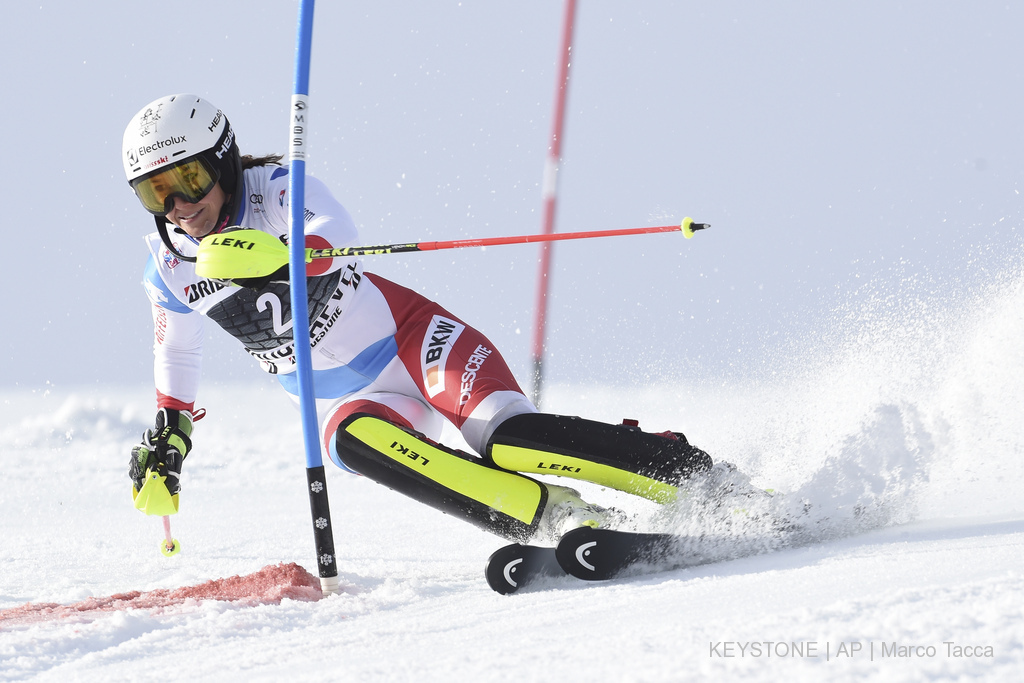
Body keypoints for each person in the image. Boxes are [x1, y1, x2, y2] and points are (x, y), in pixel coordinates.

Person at [123, 93, 719, 544]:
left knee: (509, 441)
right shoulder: (168, 271)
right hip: (350, 400)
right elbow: (177, 353)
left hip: (416, 343)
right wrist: (171, 436)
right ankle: (558, 517)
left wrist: (286, 257)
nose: (180, 206)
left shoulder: (275, 190)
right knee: (351, 443)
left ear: (222, 163)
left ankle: (687, 475)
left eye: (191, 179)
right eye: (157, 194)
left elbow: (335, 230)